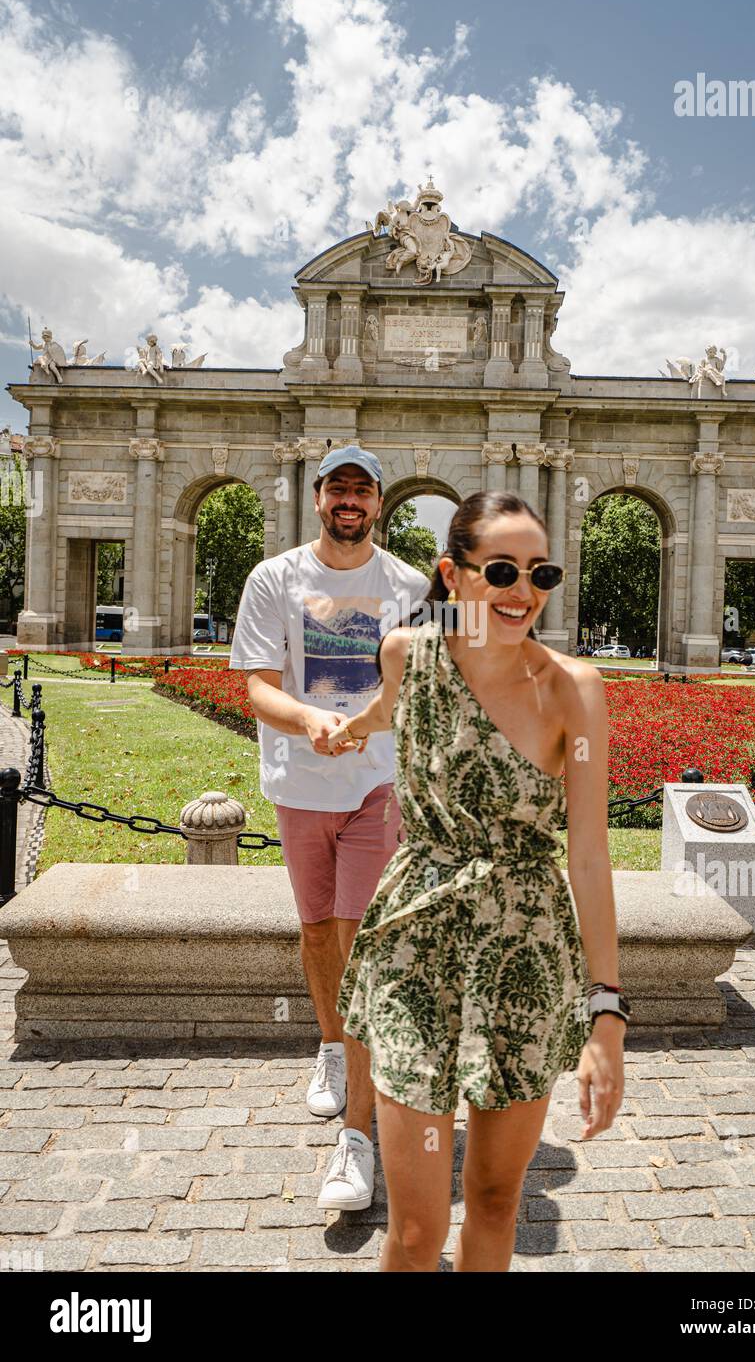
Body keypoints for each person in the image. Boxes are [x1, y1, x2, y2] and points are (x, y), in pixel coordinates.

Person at [327, 490, 628, 1272]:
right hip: (414, 949)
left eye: (540, 572)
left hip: (524, 957)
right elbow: (389, 709)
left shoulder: (574, 690)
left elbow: (588, 857)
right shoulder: (406, 653)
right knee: (419, 1230)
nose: (522, 591)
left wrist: (606, 1015)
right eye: (499, 570)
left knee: (495, 1204)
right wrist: (343, 729)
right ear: (452, 576)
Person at [229, 445, 430, 1210]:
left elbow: (422, 685)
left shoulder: (408, 585)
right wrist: (312, 718)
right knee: (317, 932)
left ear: (379, 503)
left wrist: (363, 726)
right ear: (318, 498)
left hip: (376, 784)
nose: (350, 499)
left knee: (358, 940)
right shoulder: (274, 578)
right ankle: (331, 1047)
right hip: (299, 784)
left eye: (363, 489)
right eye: (337, 487)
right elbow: (256, 684)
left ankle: (357, 1141)